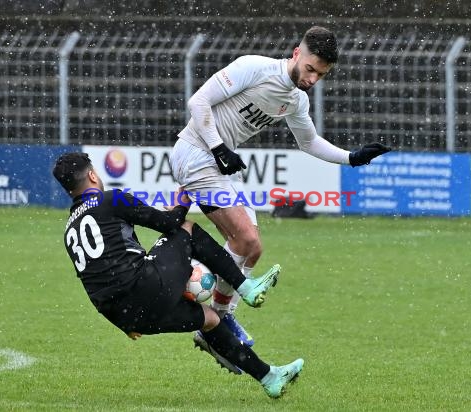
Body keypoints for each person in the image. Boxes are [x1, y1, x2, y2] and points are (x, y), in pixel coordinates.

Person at [170, 25, 391, 346]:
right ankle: (203, 302)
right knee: (243, 238)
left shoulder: (297, 100)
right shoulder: (254, 68)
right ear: (296, 53)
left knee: (252, 249)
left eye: (321, 75)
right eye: (310, 69)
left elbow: (309, 141)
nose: (313, 79)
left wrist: (353, 158)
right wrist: (219, 148)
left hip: (220, 164)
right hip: (196, 152)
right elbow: (198, 102)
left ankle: (217, 323)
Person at [52, 152, 303, 398]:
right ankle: (245, 286)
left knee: (210, 320)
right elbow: (169, 223)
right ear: (93, 175)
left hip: (127, 317)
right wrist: (182, 200)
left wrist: (123, 324)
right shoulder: (112, 199)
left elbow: (95, 289)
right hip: (146, 286)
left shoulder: (69, 230)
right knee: (187, 228)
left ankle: (269, 377)